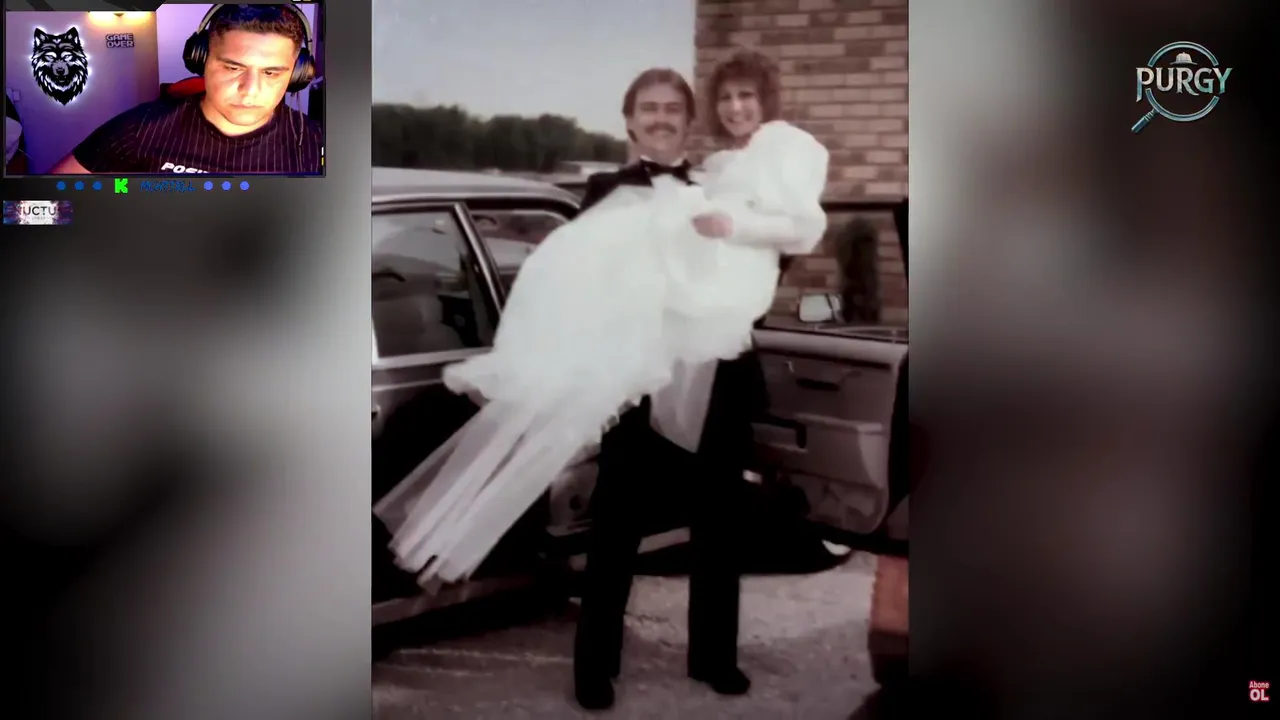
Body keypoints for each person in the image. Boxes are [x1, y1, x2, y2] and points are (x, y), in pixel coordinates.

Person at [372, 52, 830, 708]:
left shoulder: (720, 184)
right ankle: (595, 667)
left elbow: (768, 261)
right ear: (630, 122)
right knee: (615, 523)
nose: (662, 120)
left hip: (717, 371)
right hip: (630, 380)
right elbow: (569, 282)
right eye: (650, 110)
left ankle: (714, 657)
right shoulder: (604, 190)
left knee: (717, 520)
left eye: (673, 110)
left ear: (688, 121)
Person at [47, 4, 321, 175]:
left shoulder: (318, 145)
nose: (250, 90)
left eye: (271, 72)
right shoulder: (138, 129)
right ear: (201, 61)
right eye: (232, 68)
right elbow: (40, 205)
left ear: (297, 74)